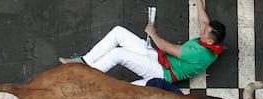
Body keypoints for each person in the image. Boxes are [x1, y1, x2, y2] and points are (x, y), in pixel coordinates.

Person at [59, 0, 226, 86]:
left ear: (210, 40)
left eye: (205, 32)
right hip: (159, 59)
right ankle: (84, 61)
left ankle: (83, 76)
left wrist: (153, 33)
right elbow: (203, 19)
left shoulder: (197, 53)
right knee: (119, 32)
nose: (202, 29)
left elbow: (165, 47)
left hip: (160, 72)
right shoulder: (211, 42)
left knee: (118, 54)